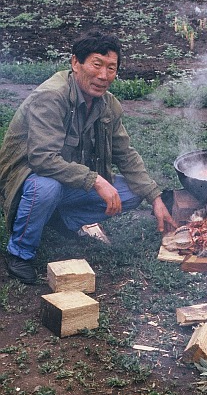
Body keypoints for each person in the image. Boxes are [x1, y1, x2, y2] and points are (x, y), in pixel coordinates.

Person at [0, 31, 177, 284]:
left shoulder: (108, 104)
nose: (103, 76)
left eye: (111, 68)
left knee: (132, 192)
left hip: (71, 181)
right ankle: (20, 253)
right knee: (46, 187)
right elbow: (42, 159)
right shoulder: (51, 97)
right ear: (75, 63)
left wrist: (155, 197)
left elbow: (125, 153)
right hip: (27, 181)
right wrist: (96, 180)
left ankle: (62, 220)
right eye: (96, 65)